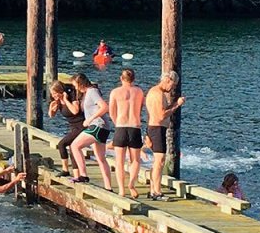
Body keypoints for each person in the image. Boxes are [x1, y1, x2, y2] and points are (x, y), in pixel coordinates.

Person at [146, 70, 186, 201]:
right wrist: (177, 106)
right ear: (168, 80)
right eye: (172, 85)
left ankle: (153, 189)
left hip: (155, 128)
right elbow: (161, 115)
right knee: (159, 161)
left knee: (157, 161)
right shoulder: (157, 94)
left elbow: (162, 110)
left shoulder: (156, 92)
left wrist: (173, 104)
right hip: (157, 128)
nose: (172, 88)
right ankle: (156, 191)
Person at [68, 73, 112, 191]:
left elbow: (104, 107)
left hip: (98, 125)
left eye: (75, 85)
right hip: (103, 127)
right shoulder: (88, 93)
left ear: (80, 83)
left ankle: (83, 175)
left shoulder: (92, 91)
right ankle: (108, 187)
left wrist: (90, 119)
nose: (75, 88)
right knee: (101, 158)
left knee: (75, 146)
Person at [109, 68, 144, 199]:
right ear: (134, 79)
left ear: (121, 78)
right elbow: (140, 109)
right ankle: (131, 184)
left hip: (121, 127)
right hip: (135, 127)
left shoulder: (115, 92)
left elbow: (112, 112)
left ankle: (122, 190)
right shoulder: (139, 91)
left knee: (119, 161)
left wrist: (117, 122)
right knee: (135, 160)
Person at [49, 80, 84, 178]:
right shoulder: (57, 101)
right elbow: (51, 115)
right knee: (73, 148)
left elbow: (75, 111)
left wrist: (66, 100)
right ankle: (77, 175)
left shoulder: (71, 97)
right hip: (73, 127)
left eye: (55, 93)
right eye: (52, 94)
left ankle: (65, 169)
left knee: (62, 144)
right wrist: (51, 108)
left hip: (81, 125)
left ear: (61, 91)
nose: (54, 96)